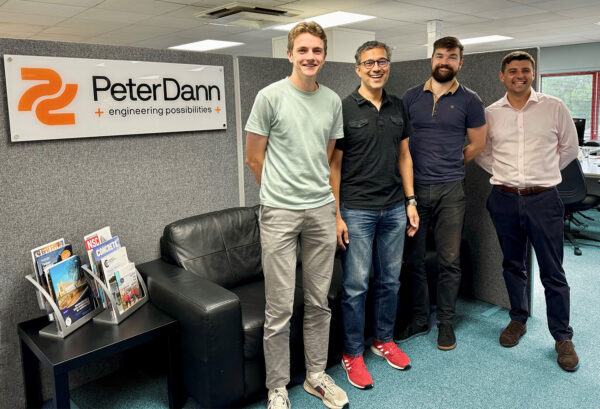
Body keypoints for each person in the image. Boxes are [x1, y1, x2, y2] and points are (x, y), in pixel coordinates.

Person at [244, 22, 349, 409]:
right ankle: (277, 386)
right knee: (280, 307)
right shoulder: (269, 97)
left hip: (321, 209)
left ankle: (316, 377)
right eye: (302, 50)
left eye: (317, 51)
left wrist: (331, 208)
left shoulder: (333, 101)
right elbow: (254, 156)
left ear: (323, 55)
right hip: (279, 212)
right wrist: (278, 192)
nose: (310, 57)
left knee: (319, 301)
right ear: (289, 54)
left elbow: (329, 159)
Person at [475, 51, 579, 372]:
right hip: (504, 198)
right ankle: (518, 319)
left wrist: (540, 175)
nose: (519, 75)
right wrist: (508, 175)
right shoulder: (490, 113)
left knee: (553, 271)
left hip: (544, 199)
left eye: (525, 70)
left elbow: (569, 149)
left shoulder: (554, 107)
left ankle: (562, 336)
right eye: (512, 71)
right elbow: (483, 153)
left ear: (533, 74)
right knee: (512, 263)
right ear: (502, 76)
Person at [329, 40, 419, 390]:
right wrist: (336, 214)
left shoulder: (398, 106)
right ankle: (352, 353)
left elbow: (405, 156)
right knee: (355, 287)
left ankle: (383, 340)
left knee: (390, 281)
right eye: (368, 63)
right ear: (358, 69)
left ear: (389, 66)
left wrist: (411, 201)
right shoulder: (343, 108)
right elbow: (333, 166)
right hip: (357, 210)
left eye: (382, 61)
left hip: (395, 207)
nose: (376, 68)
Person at [399, 36, 487, 350]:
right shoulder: (410, 97)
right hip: (415, 191)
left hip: (451, 190)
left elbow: (477, 144)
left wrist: (450, 161)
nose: (444, 61)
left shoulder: (470, 100)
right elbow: (402, 145)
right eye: (439, 56)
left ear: (460, 63)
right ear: (431, 59)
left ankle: (446, 323)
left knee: (450, 260)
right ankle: (420, 318)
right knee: (414, 259)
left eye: (452, 57)